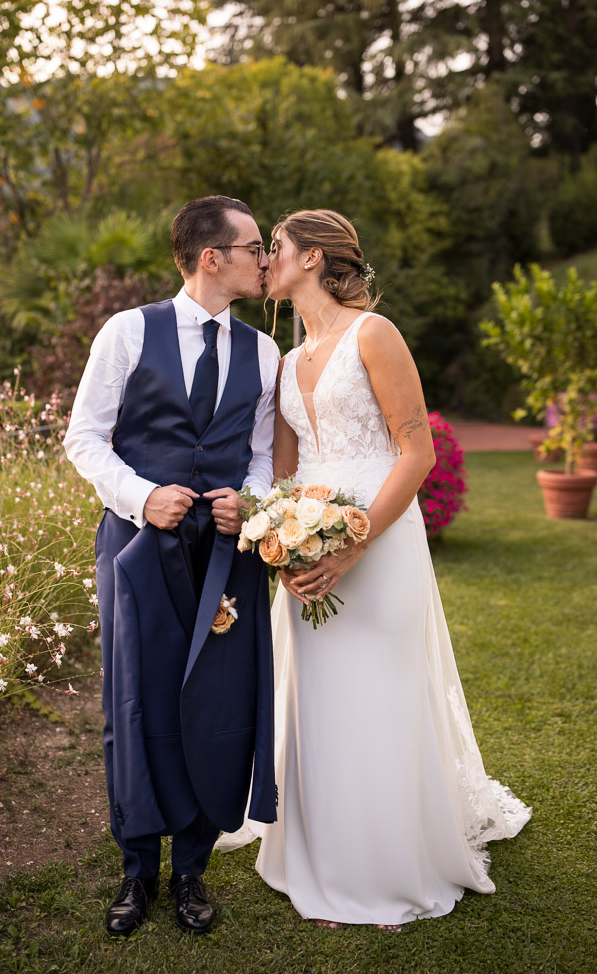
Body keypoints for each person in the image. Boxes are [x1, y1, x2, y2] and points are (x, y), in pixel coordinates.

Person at [218, 209, 531, 929]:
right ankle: (316, 854)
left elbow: (413, 449)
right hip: (306, 542)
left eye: (277, 248)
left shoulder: (374, 334)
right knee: (318, 698)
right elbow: (285, 473)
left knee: (379, 691)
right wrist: (282, 543)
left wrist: (354, 544)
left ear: (316, 258)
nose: (266, 259)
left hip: (380, 538)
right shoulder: (286, 359)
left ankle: (386, 866)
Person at [64, 196, 280, 937]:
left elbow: (259, 455)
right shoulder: (127, 331)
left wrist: (246, 503)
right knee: (134, 703)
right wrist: (142, 495)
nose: (266, 258)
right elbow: (85, 439)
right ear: (211, 258)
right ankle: (136, 870)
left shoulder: (263, 352)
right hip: (136, 547)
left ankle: (192, 869)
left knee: (216, 704)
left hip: (225, 554)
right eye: (254, 246)